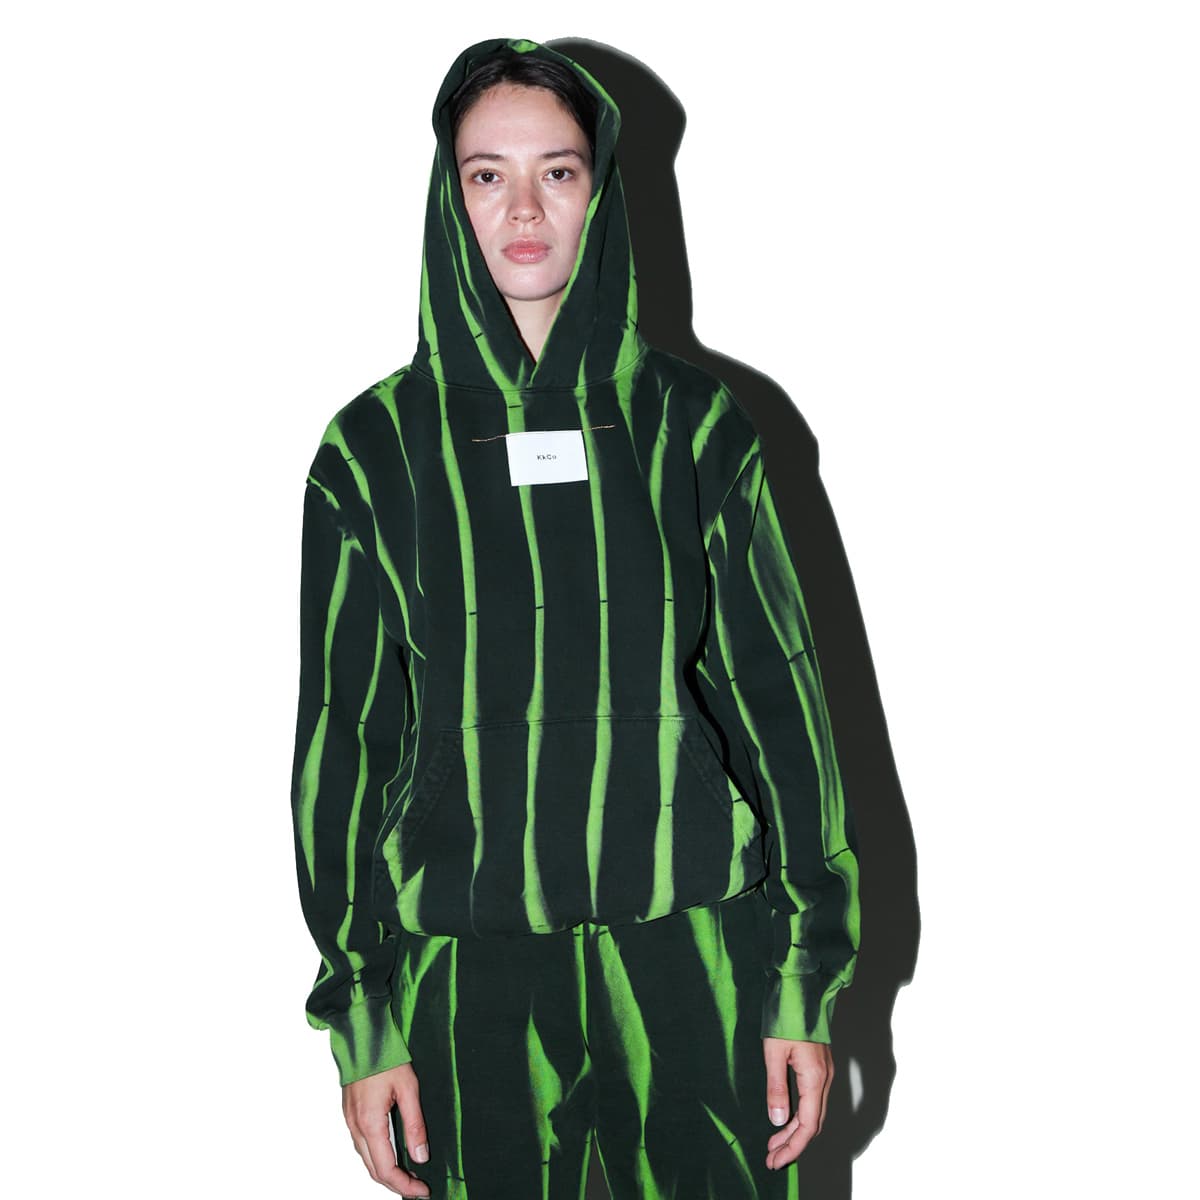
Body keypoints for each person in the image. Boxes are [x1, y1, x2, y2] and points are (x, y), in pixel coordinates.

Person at [291, 37, 860, 1199]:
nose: (524, 209)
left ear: (599, 189)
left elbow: (778, 699)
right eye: (486, 174)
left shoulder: (695, 428)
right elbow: (344, 742)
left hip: (694, 952)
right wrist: (365, 1016)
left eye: (557, 171)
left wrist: (801, 977)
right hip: (468, 968)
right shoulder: (372, 453)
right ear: (448, 196)